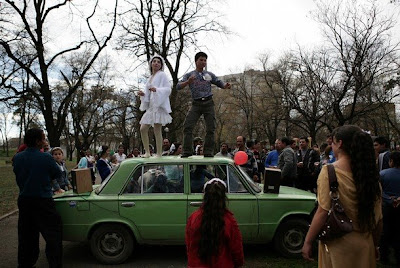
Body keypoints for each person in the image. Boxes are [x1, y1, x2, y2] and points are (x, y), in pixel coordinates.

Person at [302, 125, 383, 267]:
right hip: (365, 243)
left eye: (332, 142)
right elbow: (378, 220)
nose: (331, 146)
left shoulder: (329, 171)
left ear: (339, 143)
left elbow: (322, 211)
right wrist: (375, 244)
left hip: (337, 244)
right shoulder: (370, 175)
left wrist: (308, 241)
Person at [12, 128, 64, 268]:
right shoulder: (46, 157)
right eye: (43, 138)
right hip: (43, 200)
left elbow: (18, 174)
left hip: (24, 201)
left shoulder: (17, 157)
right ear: (37, 141)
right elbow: (57, 174)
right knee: (53, 234)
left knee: (26, 236)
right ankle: (54, 263)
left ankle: (25, 264)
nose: (45, 140)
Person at [177, 52, 231, 157]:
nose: (203, 62)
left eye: (205, 60)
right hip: (196, 104)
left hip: (208, 103)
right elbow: (178, 87)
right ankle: (187, 151)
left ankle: (208, 151)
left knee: (211, 128)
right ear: (196, 61)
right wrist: (188, 82)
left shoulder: (208, 75)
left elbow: (218, 81)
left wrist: (225, 86)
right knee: (187, 126)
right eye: (201, 60)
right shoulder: (189, 75)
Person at [186, 178, 244, 268]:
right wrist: (238, 263)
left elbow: (189, 245)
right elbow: (236, 249)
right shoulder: (229, 221)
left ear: (205, 196)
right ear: (223, 198)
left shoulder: (194, 218)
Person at [138, 54, 172, 157]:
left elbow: (168, 89)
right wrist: (143, 95)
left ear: (161, 65)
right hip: (151, 107)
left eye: (158, 62)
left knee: (157, 129)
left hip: (159, 105)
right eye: (154, 61)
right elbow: (147, 94)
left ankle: (159, 154)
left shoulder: (162, 75)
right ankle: (147, 152)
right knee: (143, 128)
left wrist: (157, 90)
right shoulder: (150, 78)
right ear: (151, 64)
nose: (156, 63)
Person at [379, 151, 400, 265]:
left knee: (385, 231)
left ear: (391, 161)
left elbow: (378, 191)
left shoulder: (383, 173)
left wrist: (389, 199)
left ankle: (384, 256)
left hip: (386, 206)